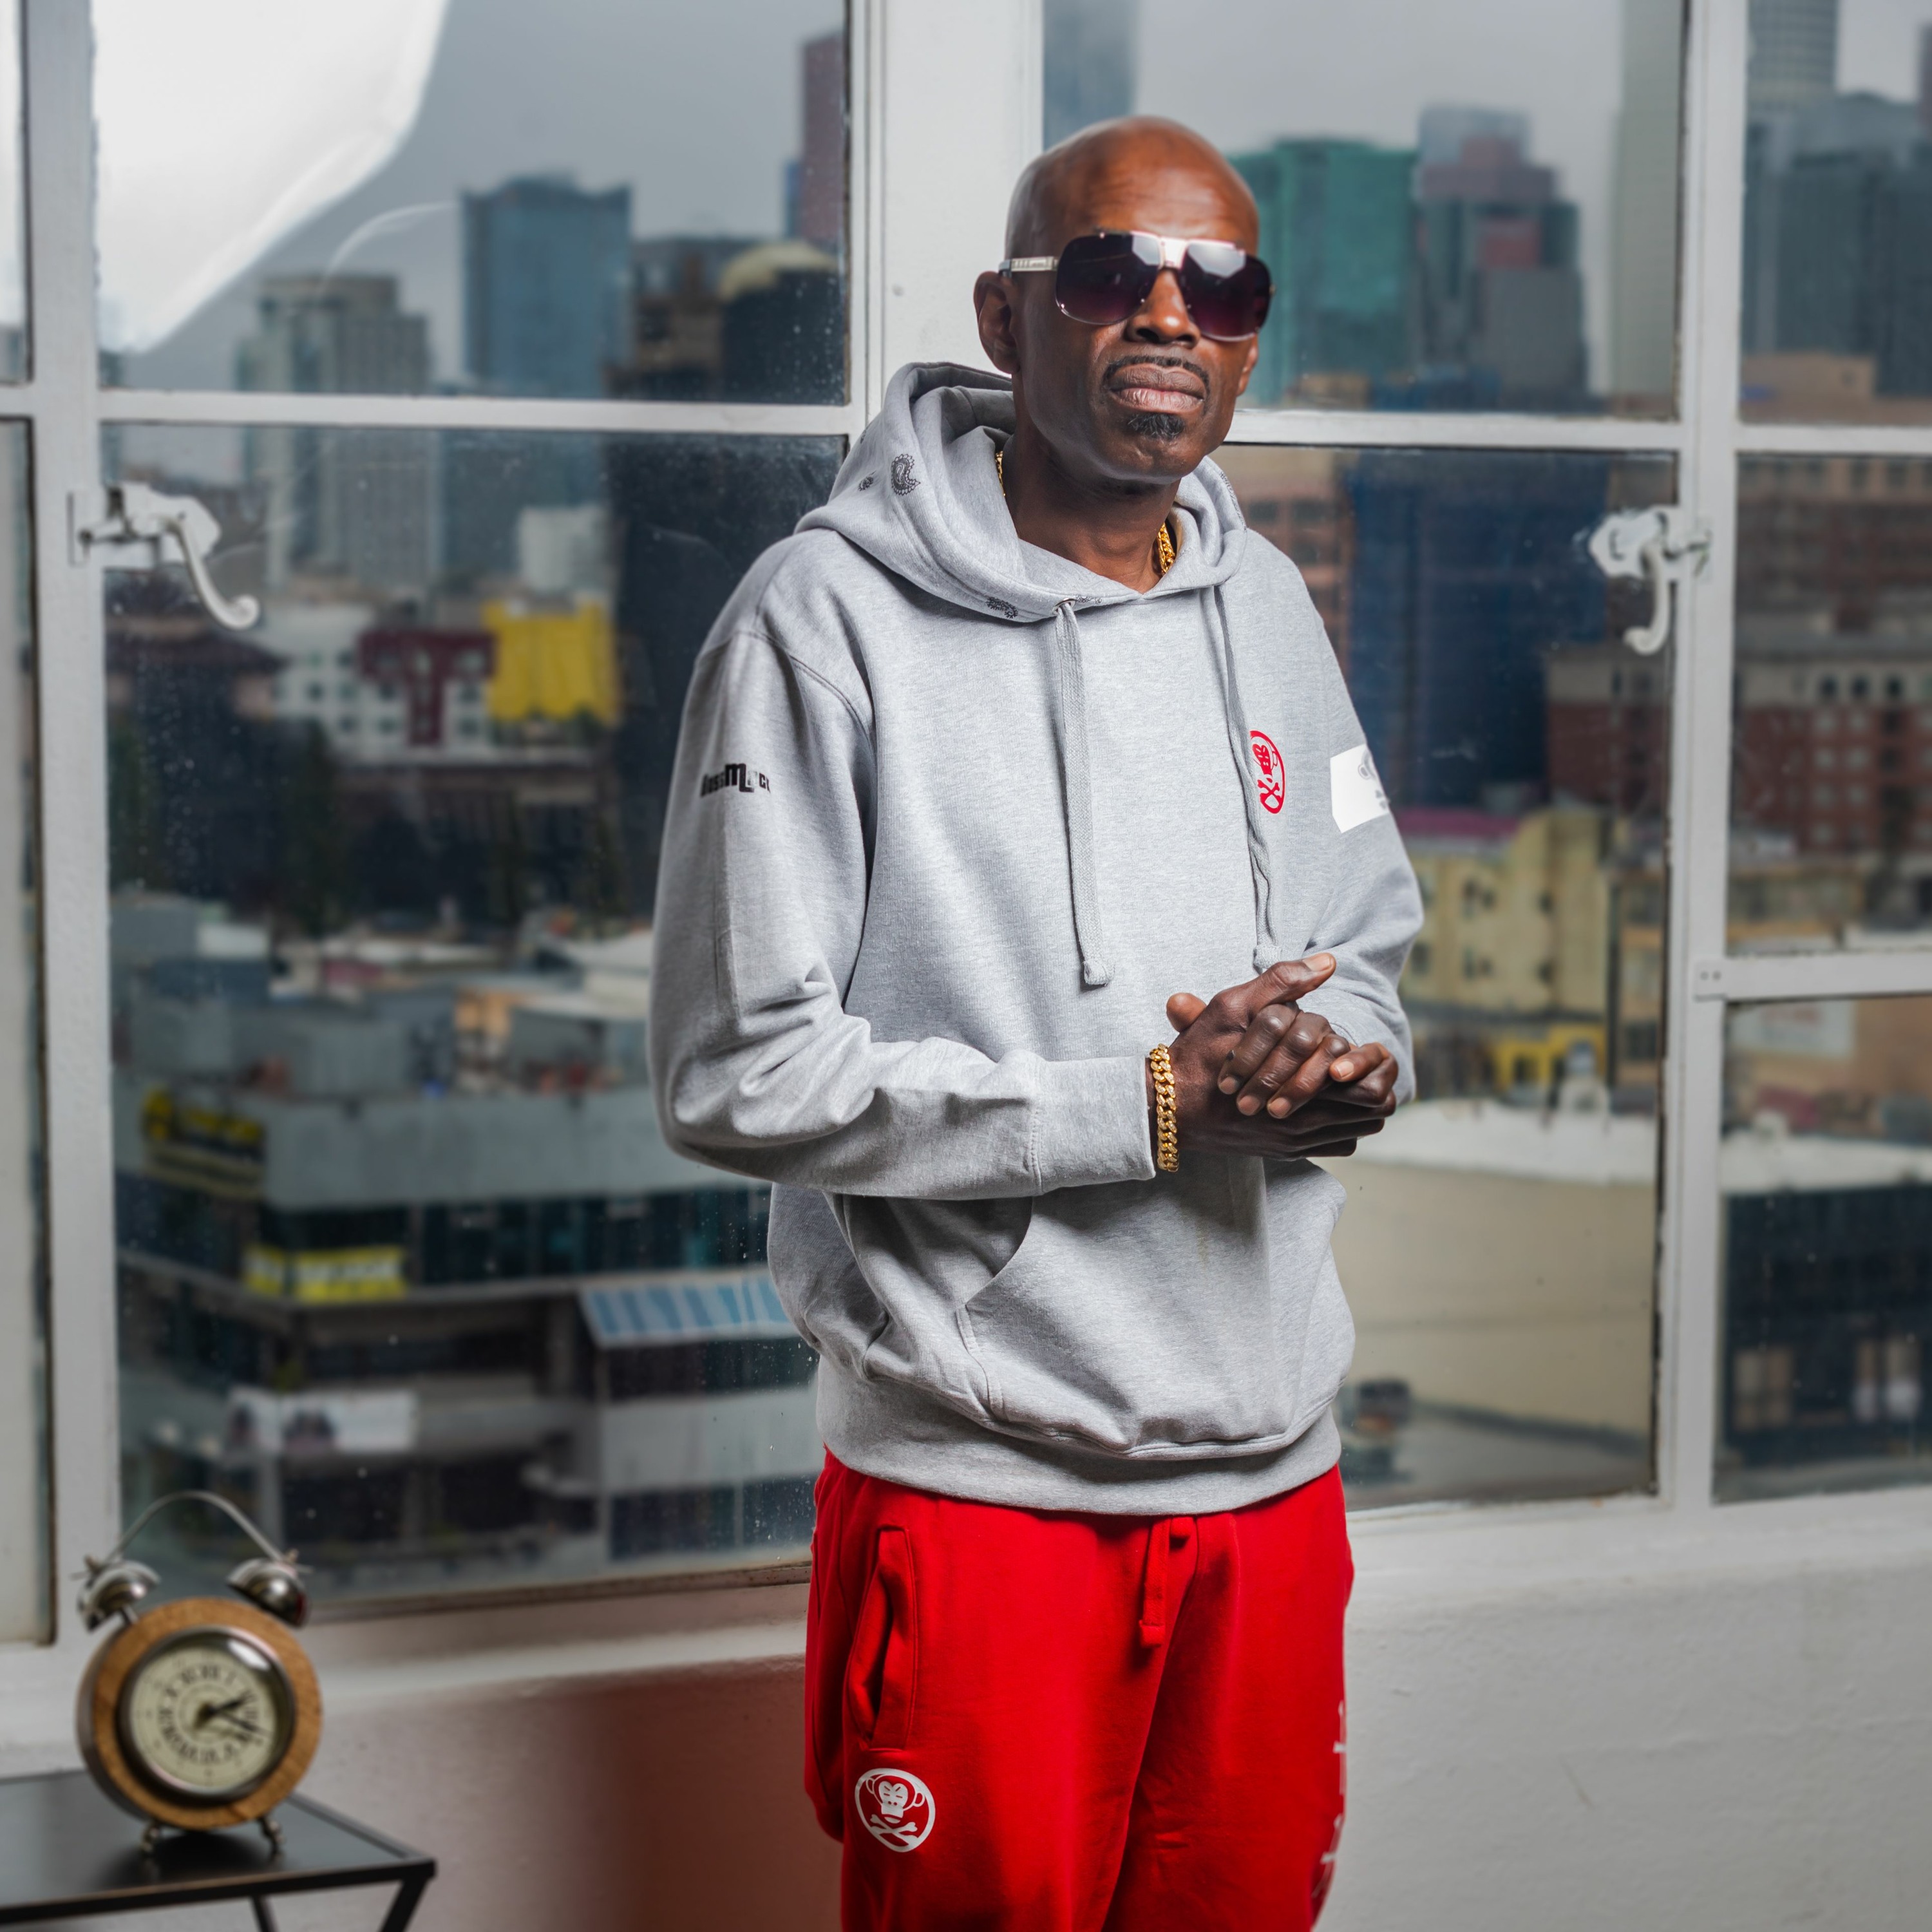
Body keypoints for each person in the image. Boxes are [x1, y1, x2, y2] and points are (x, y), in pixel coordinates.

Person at [649, 115, 1423, 1932]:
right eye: (1107, 272)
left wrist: (1342, 1062)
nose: (1167, 315)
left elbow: (1368, 941)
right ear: (1006, 318)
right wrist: (1146, 1107)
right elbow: (735, 1070)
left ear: (1249, 342)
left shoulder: (1265, 606)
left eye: (1220, 286)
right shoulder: (819, 621)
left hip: (1272, 1475)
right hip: (981, 1480)